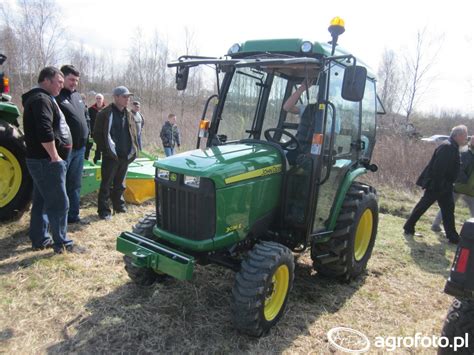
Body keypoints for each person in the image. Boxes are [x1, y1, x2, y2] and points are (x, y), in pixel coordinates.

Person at [22, 66, 84, 254]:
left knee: (41, 200)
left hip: (42, 160)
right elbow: (44, 130)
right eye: (58, 82)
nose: (61, 86)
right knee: (59, 203)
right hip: (46, 161)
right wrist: (55, 156)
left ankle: (40, 239)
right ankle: (62, 243)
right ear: (46, 81)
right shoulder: (41, 99)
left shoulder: (43, 98)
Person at [403, 125, 469, 244]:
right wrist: (440, 186)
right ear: (458, 135)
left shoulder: (452, 146)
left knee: (448, 210)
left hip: (444, 185)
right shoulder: (447, 146)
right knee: (423, 206)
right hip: (438, 185)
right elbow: (438, 169)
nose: (466, 138)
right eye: (465, 136)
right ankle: (408, 227)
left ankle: (453, 237)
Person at [93, 86, 138, 220]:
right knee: (106, 184)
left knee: (120, 184)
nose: (127, 99)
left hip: (125, 155)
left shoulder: (129, 114)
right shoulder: (104, 113)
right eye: (125, 97)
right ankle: (104, 210)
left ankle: (119, 206)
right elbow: (97, 134)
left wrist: (134, 150)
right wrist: (106, 151)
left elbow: (134, 133)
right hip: (111, 156)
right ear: (116, 97)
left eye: (128, 97)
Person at [56, 65, 90, 224]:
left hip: (80, 148)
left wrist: (87, 133)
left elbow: (85, 116)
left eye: (76, 80)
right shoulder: (57, 97)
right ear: (62, 78)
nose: (74, 83)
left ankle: (73, 216)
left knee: (75, 184)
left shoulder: (77, 96)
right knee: (60, 185)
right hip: (64, 150)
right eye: (71, 79)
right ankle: (57, 219)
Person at [431, 138, 474, 231]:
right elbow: (459, 168)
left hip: (470, 188)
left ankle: (435, 224)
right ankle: (435, 225)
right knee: (447, 206)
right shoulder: (466, 152)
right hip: (459, 186)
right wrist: (464, 181)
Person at [87, 93, 106, 163]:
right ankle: (85, 160)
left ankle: (96, 161)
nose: (98, 100)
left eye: (100, 98)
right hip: (92, 132)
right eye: (97, 98)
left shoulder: (106, 109)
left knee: (99, 148)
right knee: (88, 146)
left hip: (102, 133)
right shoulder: (91, 109)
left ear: (103, 99)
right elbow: (88, 120)